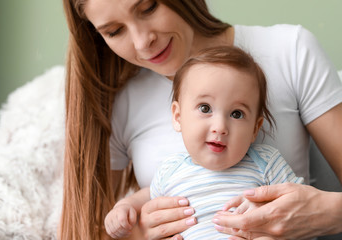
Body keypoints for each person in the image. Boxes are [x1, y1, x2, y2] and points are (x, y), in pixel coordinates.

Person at [60, 0, 342, 239]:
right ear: (177, 115)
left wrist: (326, 213)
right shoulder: (120, 101)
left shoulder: (288, 49)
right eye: (114, 31)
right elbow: (92, 228)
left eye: (148, 7)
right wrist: (138, 232)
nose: (142, 42)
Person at [103, 46, 304, 240]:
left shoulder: (265, 162)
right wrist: (125, 207)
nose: (220, 127)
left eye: (236, 114)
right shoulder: (171, 170)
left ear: (254, 128)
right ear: (178, 116)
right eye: (205, 108)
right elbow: (149, 195)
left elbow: (301, 204)